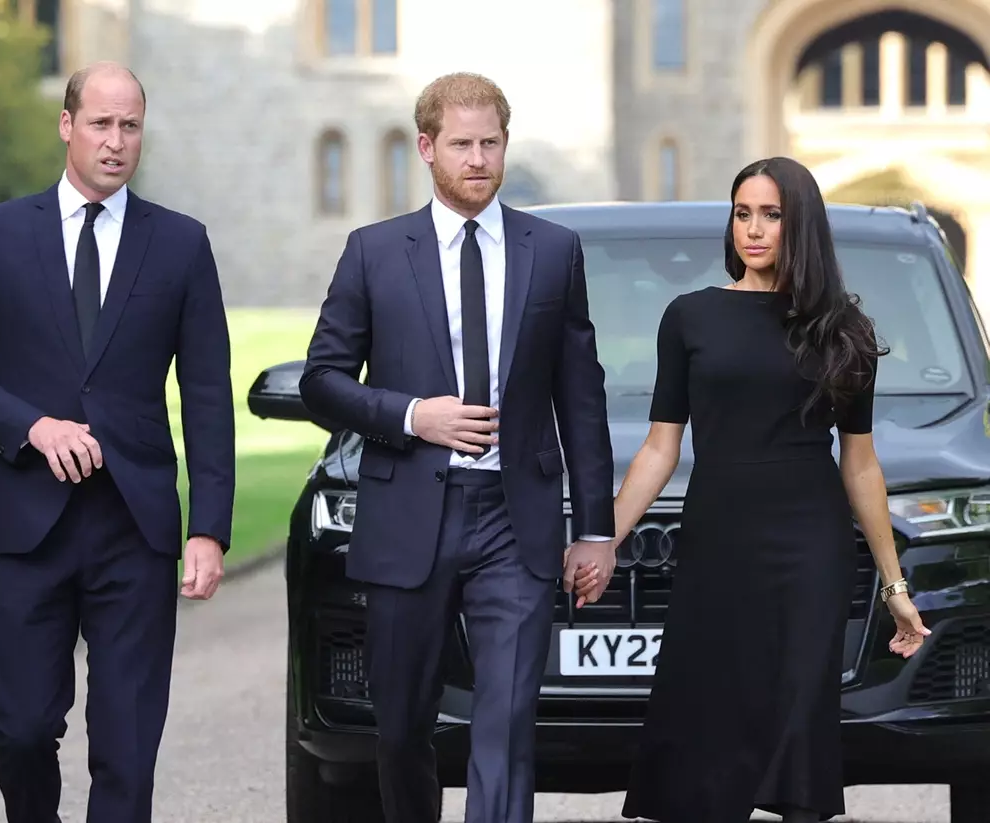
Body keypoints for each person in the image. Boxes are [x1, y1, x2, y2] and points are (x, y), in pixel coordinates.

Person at [0, 61, 235, 823]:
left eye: (130, 126)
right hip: (24, 522)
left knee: (127, 746)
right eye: (101, 123)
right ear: (66, 125)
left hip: (136, 525)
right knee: (21, 729)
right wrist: (30, 425)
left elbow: (208, 396)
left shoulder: (182, 244)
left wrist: (209, 528)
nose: (116, 141)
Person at [299, 72, 618, 823]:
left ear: (506, 144)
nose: (478, 158)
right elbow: (322, 381)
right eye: (461, 144)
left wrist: (595, 529)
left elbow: (581, 395)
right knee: (403, 723)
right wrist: (414, 415)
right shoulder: (374, 252)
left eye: (490, 143)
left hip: (517, 518)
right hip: (410, 510)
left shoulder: (553, 251)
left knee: (506, 721)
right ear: (427, 148)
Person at [595, 156, 931, 823]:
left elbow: (859, 463)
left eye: (771, 215)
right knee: (709, 710)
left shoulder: (843, 330)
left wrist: (894, 586)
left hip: (810, 546)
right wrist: (604, 539)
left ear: (798, 224)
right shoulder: (688, 318)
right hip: (719, 538)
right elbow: (662, 446)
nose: (753, 229)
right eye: (743, 212)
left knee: (800, 711)